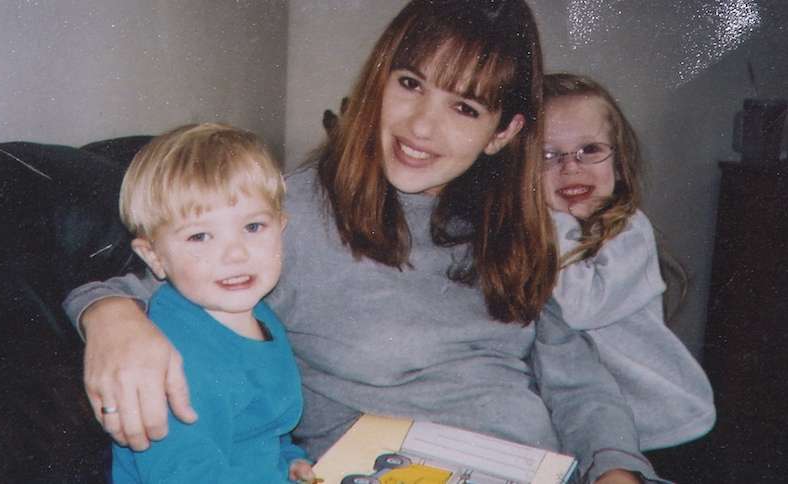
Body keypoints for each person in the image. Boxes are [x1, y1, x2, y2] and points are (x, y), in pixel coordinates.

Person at [65, 2, 670, 482]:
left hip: (537, 467)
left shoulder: (515, 226)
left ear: (503, 132)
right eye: (410, 84)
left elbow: (576, 378)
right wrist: (108, 314)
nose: (421, 127)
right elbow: (164, 266)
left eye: (464, 107)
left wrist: (617, 466)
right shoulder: (285, 213)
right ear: (379, 82)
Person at [107, 123, 315, 483]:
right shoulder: (174, 359)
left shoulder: (256, 313)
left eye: (253, 227)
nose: (236, 253)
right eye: (200, 236)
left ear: (281, 227)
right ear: (154, 256)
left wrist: (289, 459)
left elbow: (265, 429)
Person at [539, 73, 715, 450]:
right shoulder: (537, 237)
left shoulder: (629, 230)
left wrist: (552, 217)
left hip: (664, 424)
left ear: (619, 164)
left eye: (589, 149)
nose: (571, 167)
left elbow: (574, 308)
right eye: (547, 155)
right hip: (594, 427)